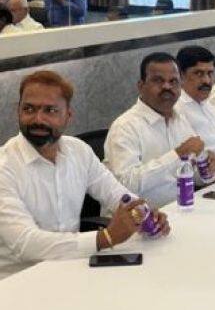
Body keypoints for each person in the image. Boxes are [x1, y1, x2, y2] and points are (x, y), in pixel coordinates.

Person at [0, 71, 170, 280]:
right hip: (18, 280)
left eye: (50, 110)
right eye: (29, 109)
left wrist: (144, 213)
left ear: (68, 116)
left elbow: (117, 195)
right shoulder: (4, 166)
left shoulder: (78, 151)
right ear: (17, 111)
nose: (38, 119)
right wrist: (105, 238)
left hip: (71, 268)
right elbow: (25, 243)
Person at [104, 52, 215, 208]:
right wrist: (178, 155)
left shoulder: (180, 119)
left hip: (183, 210)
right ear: (141, 86)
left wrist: (207, 167)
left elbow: (194, 177)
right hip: (141, 219)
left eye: (173, 81)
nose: (167, 87)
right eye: (158, 80)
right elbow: (125, 185)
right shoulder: (125, 127)